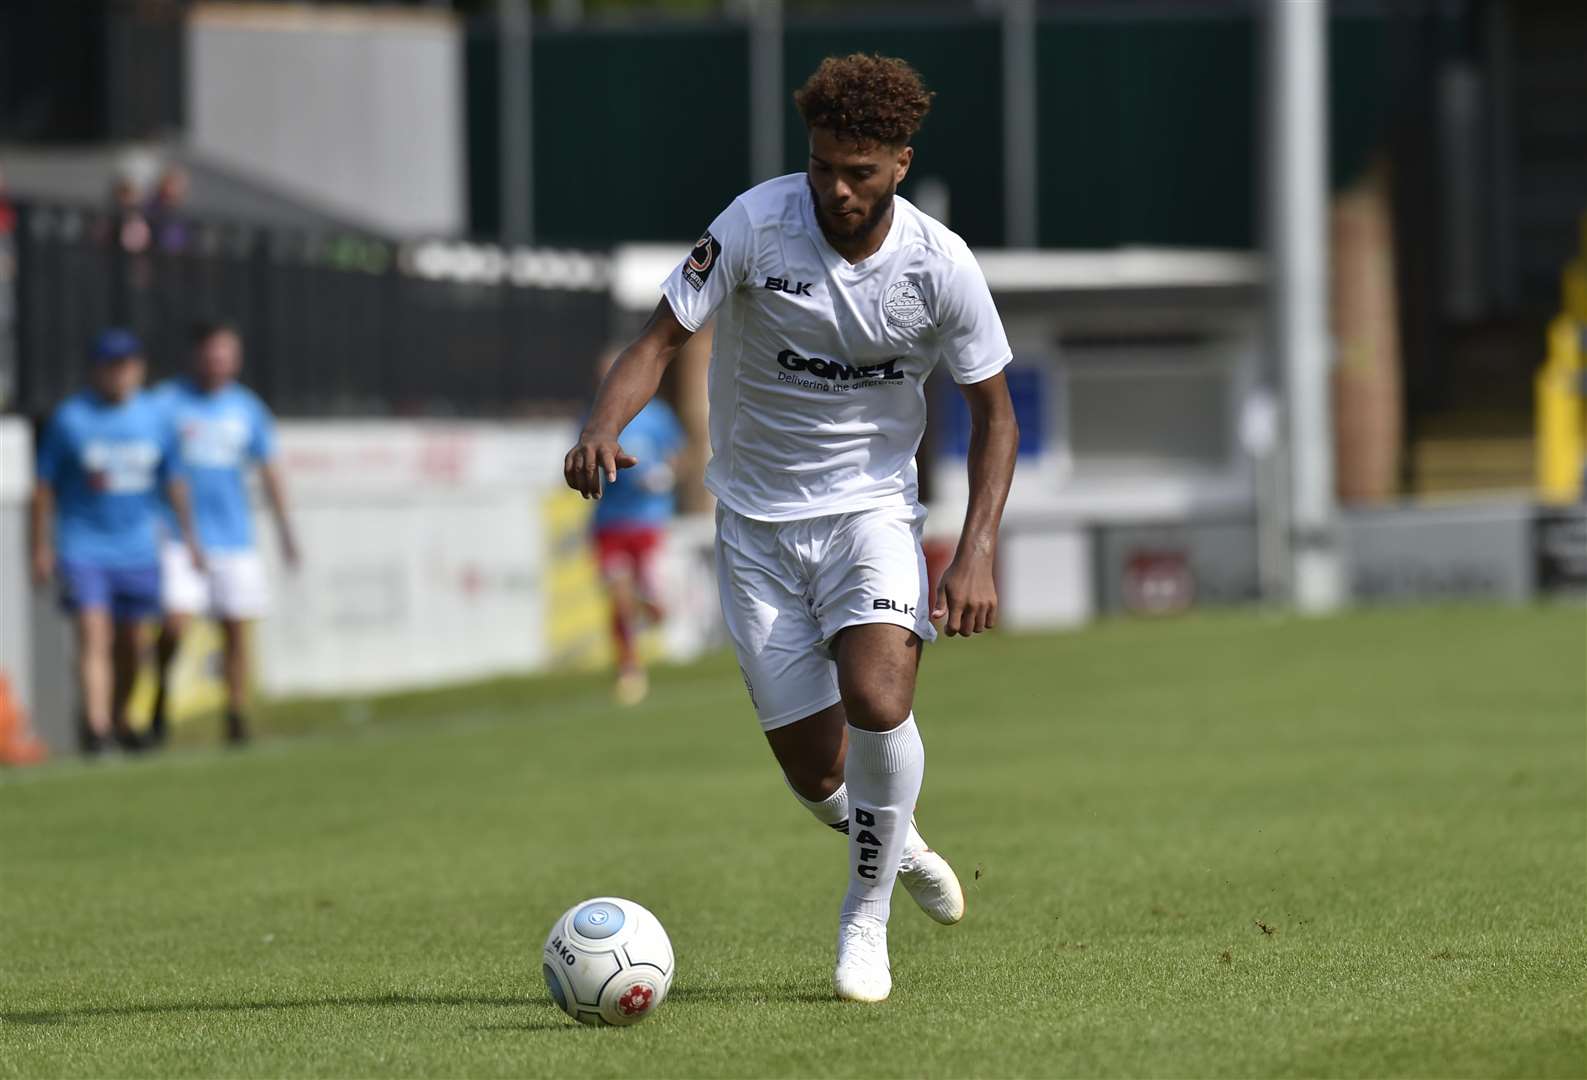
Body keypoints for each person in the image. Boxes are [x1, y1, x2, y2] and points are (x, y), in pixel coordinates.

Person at [563, 54, 1019, 1002]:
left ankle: (863, 922)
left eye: (858, 171)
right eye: (822, 167)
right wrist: (603, 425)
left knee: (879, 696)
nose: (837, 190)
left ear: (900, 161)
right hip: (755, 526)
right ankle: (899, 844)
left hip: (870, 513)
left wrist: (975, 551)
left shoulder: (941, 265)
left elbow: (995, 414)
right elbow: (656, 342)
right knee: (816, 776)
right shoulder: (752, 226)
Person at [30, 329, 203, 754]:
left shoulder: (155, 419)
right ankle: (96, 726)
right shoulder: (71, 419)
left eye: (128, 364)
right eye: (112, 365)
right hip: (83, 545)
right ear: (96, 370)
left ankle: (121, 717)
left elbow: (175, 481)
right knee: (93, 634)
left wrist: (190, 538)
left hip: (139, 548)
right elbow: (44, 487)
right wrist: (40, 546)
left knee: (132, 644)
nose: (120, 374)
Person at [150, 322, 298, 746]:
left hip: (234, 537)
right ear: (196, 355)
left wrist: (286, 530)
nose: (220, 361)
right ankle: (159, 696)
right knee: (175, 624)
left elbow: (269, 468)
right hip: (178, 535)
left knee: (236, 630)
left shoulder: (246, 407)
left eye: (228, 353)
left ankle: (235, 714)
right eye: (213, 353)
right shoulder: (166, 403)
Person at [587, 349, 685, 706]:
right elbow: (584, 459)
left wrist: (665, 476)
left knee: (648, 599)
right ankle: (629, 668)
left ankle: (653, 606)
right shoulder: (594, 418)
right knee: (618, 597)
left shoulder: (657, 416)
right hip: (609, 521)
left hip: (647, 520)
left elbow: (678, 456)